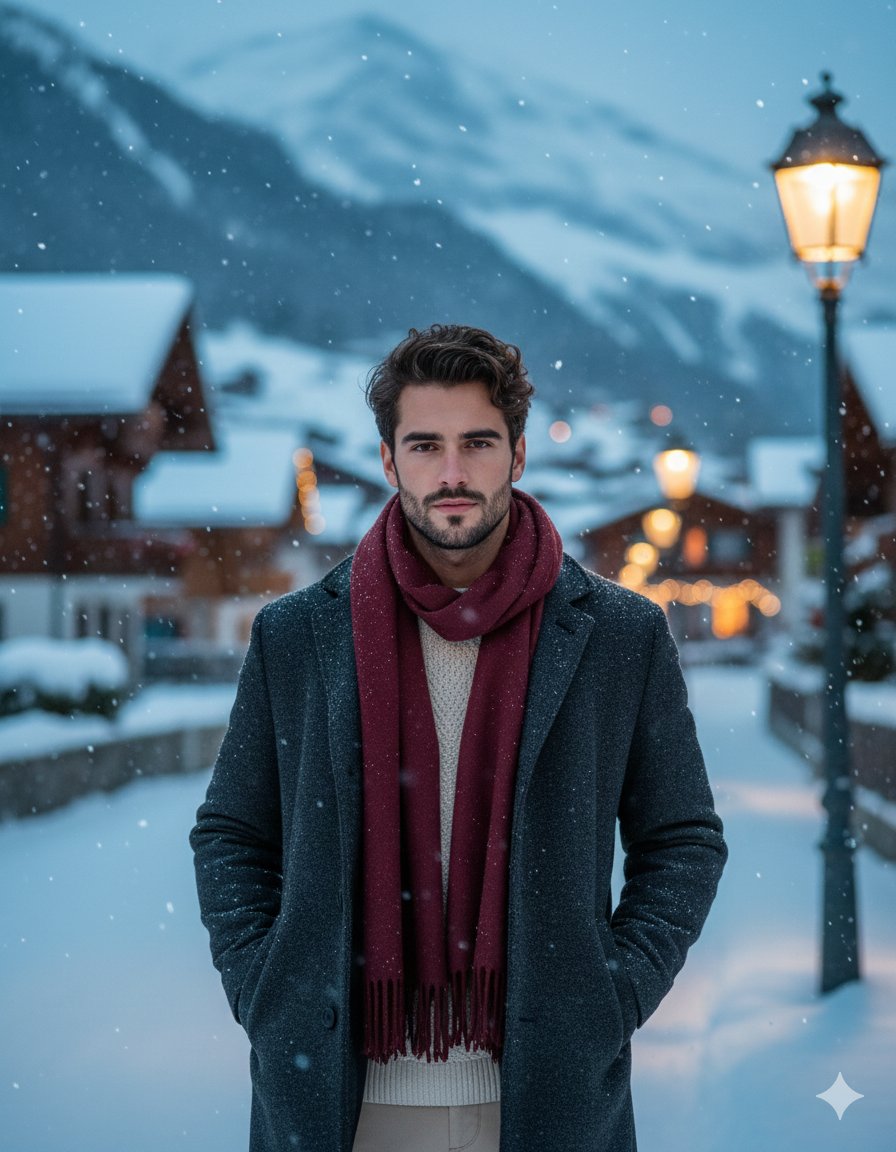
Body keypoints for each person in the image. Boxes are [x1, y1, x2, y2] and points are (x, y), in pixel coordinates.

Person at [190, 324, 728, 1152]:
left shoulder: (619, 636)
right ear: (387, 461)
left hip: (544, 1098)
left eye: (477, 442)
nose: (451, 472)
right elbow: (231, 831)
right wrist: (264, 990)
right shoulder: (297, 638)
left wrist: (610, 997)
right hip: (336, 1098)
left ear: (517, 454)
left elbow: (683, 839)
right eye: (425, 444)